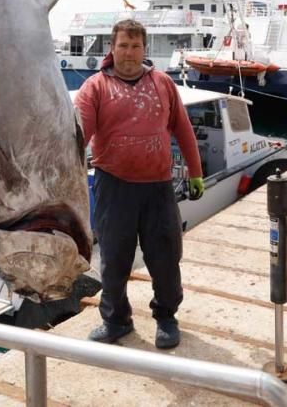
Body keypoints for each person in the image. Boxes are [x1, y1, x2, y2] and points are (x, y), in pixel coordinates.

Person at [75, 19, 205, 349]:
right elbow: (79, 136)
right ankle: (116, 320)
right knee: (114, 259)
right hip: (113, 187)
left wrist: (195, 172)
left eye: (135, 46)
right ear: (112, 48)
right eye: (123, 45)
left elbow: (183, 130)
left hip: (158, 187)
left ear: (144, 49)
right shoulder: (95, 87)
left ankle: (166, 316)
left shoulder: (162, 82)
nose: (129, 52)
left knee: (165, 256)